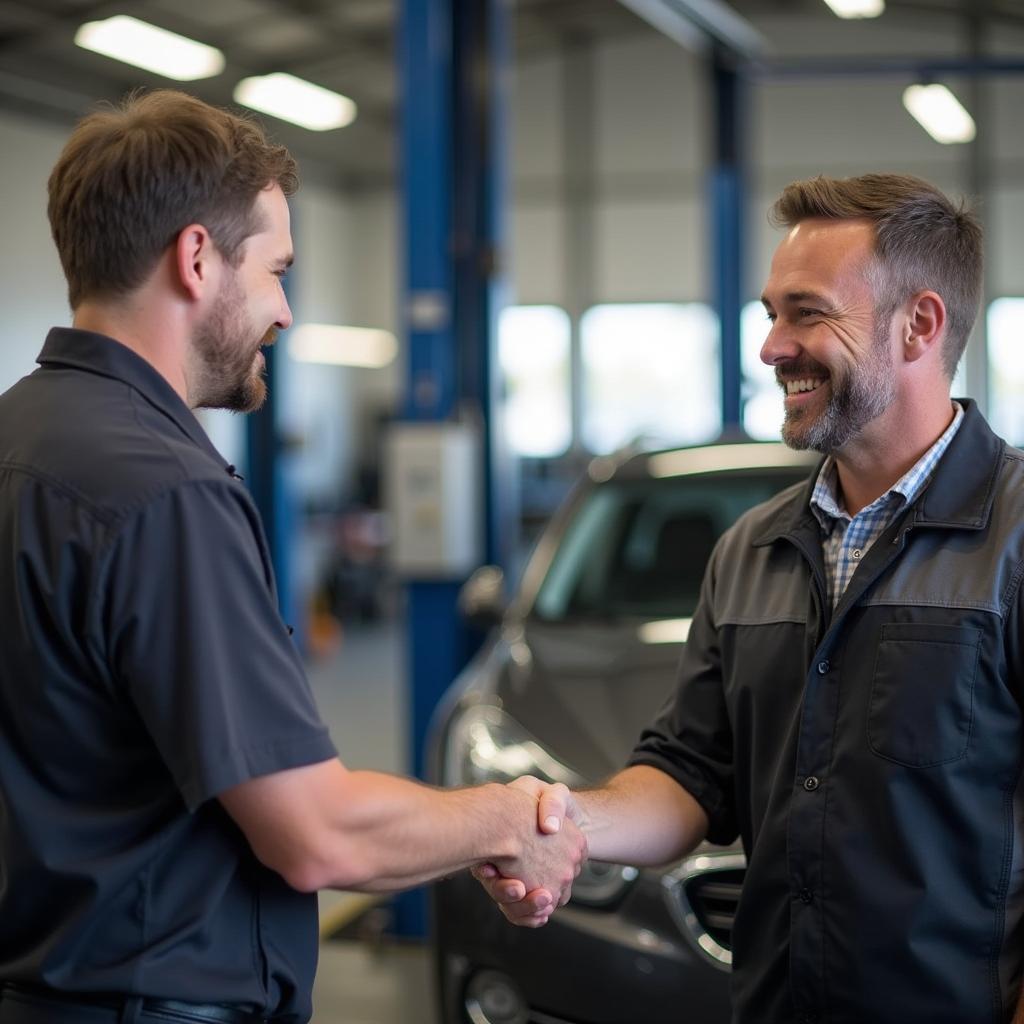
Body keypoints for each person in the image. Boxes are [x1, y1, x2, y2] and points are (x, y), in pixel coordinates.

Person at [0, 89, 585, 1024]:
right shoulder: (164, 491)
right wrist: (511, 817)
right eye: (277, 269)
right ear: (196, 259)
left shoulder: (20, 438)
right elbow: (314, 834)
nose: (283, 310)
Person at [483, 173, 1024, 1024]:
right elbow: (692, 776)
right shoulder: (751, 549)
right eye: (771, 313)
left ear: (919, 324)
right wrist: (561, 821)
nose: (772, 347)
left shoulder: (1015, 538)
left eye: (806, 312)